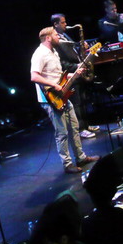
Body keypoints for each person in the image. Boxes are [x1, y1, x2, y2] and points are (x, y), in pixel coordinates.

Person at [31, 26, 99, 174]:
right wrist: (53, 85)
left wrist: (73, 74)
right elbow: (34, 76)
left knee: (74, 127)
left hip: (63, 95)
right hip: (50, 98)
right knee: (62, 133)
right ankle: (67, 164)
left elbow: (58, 74)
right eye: (56, 35)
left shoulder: (54, 52)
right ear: (48, 38)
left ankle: (81, 157)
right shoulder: (39, 54)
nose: (59, 37)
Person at [51, 13, 97, 138]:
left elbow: (72, 49)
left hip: (78, 71)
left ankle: (86, 125)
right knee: (76, 103)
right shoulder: (55, 41)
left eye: (65, 22)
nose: (66, 24)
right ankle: (80, 129)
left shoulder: (65, 35)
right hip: (70, 74)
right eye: (63, 22)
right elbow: (61, 62)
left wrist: (81, 46)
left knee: (83, 100)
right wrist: (76, 66)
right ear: (55, 24)